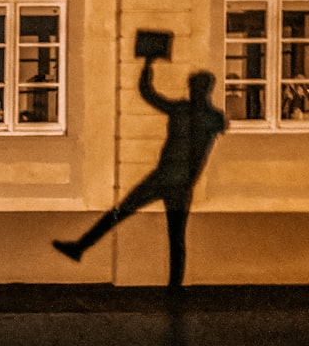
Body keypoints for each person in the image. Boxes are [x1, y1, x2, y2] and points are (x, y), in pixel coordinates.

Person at [52, 58, 226, 287]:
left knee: (130, 216)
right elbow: (150, 95)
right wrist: (147, 66)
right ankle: (173, 285)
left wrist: (147, 64)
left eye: (196, 86)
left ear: (204, 89)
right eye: (193, 86)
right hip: (172, 180)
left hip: (170, 179)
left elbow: (150, 95)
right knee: (163, 231)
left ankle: (81, 247)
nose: (193, 90)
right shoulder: (202, 115)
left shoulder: (193, 113)